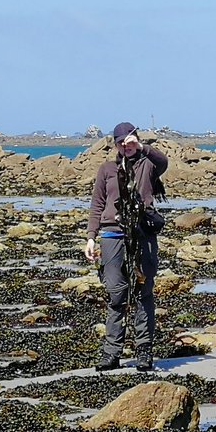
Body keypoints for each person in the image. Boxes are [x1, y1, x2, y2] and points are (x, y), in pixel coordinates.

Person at [84, 122, 168, 371]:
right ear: (115, 145)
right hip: (112, 235)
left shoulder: (147, 164)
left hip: (142, 234)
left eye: (129, 141)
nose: (125, 145)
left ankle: (144, 351)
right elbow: (97, 204)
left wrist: (142, 147)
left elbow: (163, 161)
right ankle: (112, 353)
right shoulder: (107, 169)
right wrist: (91, 236)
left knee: (144, 292)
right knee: (116, 293)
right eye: (121, 142)